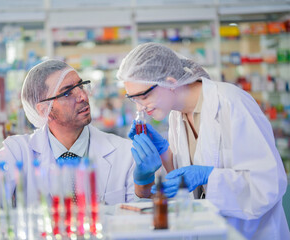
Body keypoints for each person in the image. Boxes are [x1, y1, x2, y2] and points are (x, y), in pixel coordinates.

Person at [116, 42, 289, 240]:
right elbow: (187, 175)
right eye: (134, 99)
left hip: (250, 233)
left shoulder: (231, 102)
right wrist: (164, 151)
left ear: (170, 82)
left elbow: (267, 184)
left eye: (144, 96)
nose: (140, 108)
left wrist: (209, 176)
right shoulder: (176, 114)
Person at [0, 59, 136, 225]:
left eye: (81, 85)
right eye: (68, 92)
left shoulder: (124, 153)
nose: (83, 96)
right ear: (43, 109)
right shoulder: (18, 151)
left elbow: (138, 219)